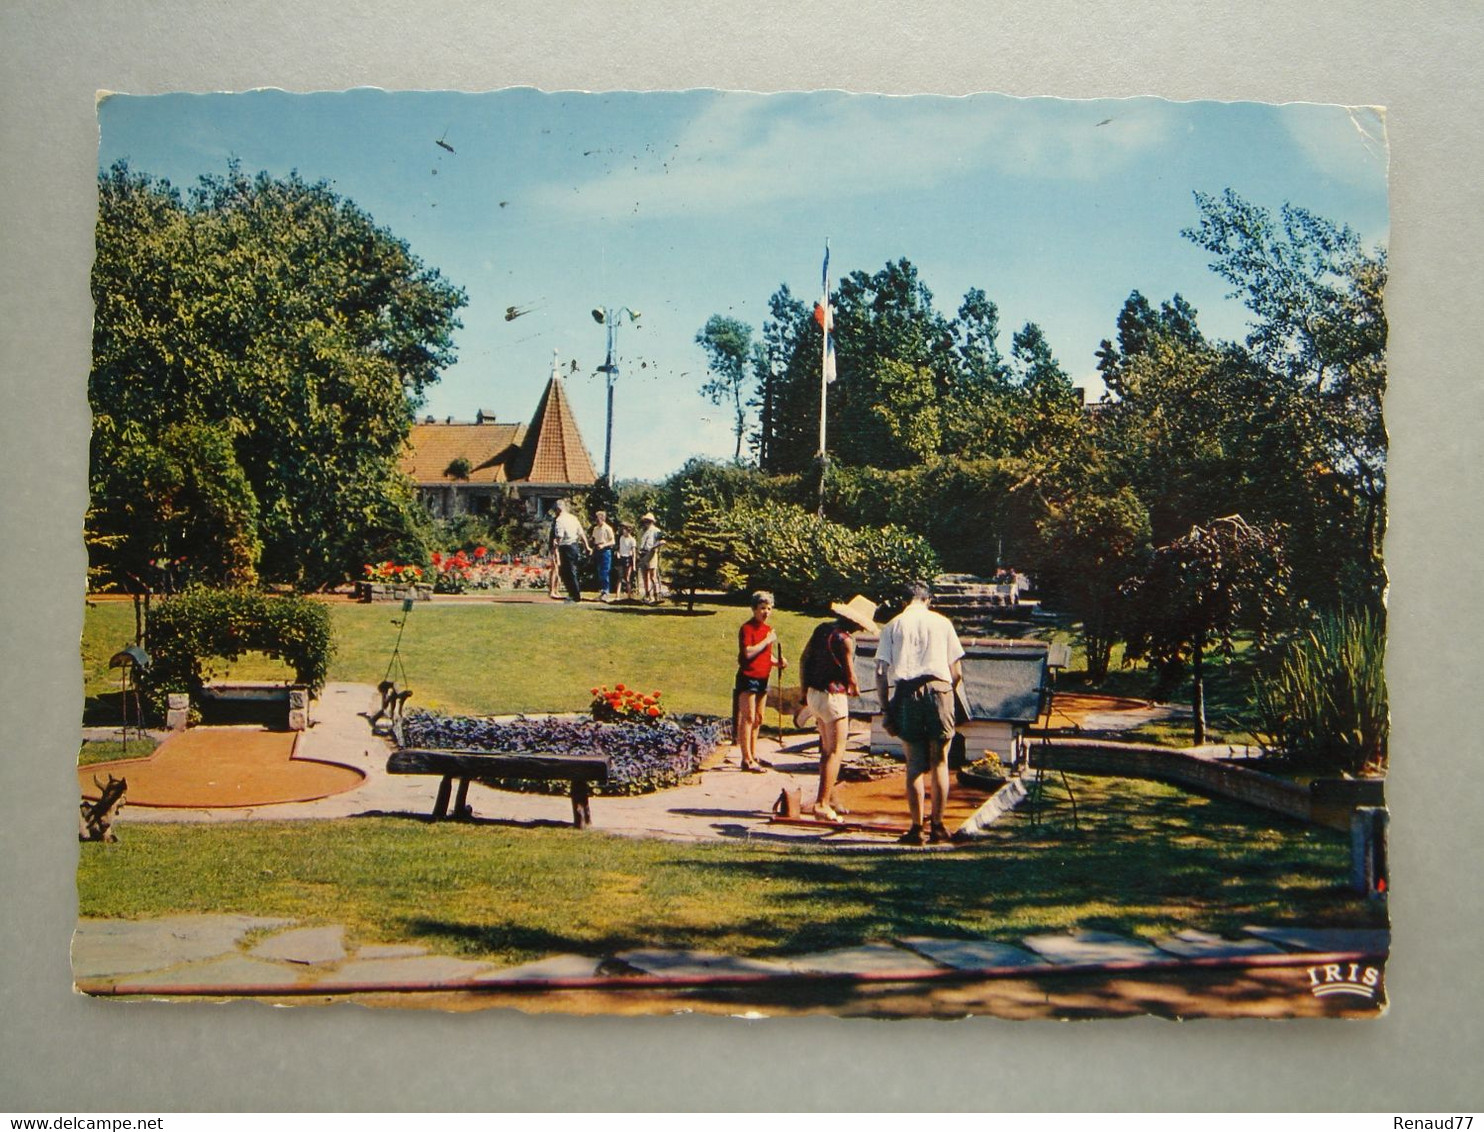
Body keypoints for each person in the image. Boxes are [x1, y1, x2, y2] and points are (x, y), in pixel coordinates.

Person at [875, 580, 965, 845]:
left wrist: (886, 709)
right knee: (940, 761)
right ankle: (938, 827)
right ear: (928, 600)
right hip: (940, 688)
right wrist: (946, 694)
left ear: (904, 602)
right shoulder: (943, 623)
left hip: (906, 691)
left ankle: (916, 829)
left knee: (914, 764)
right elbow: (957, 672)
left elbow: (880, 673)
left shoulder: (892, 625)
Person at [798, 594, 878, 822]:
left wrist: (804, 691)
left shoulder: (822, 629)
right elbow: (851, 677)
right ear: (856, 623)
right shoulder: (846, 640)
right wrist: (855, 688)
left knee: (825, 749)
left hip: (814, 694)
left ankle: (829, 797)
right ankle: (822, 805)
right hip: (833, 698)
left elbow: (804, 659)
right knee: (836, 751)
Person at [734, 590, 786, 773]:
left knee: (758, 718)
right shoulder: (747, 628)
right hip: (748, 677)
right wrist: (767, 640)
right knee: (747, 718)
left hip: (763, 677)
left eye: (769, 608)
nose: (766, 612)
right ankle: (746, 759)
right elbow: (748, 652)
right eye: (762, 608)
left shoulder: (767, 630)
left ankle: (754, 754)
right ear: (754, 609)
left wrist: (777, 662)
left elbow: (764, 654)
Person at [550, 498, 591, 602]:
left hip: (566, 547)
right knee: (571, 571)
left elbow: (559, 535)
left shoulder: (560, 520)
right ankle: (573, 593)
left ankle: (574, 595)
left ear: (558, 509)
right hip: (574, 546)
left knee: (567, 572)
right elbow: (581, 533)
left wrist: (555, 545)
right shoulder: (573, 518)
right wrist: (586, 546)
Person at [637, 512, 665, 603]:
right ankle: (648, 595)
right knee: (645, 576)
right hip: (643, 553)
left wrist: (654, 547)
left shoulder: (656, 531)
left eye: (648, 521)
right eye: (645, 521)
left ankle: (657, 594)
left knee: (653, 575)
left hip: (651, 553)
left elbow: (662, 541)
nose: (646, 523)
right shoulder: (642, 531)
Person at [590, 510, 616, 601]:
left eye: (598, 519)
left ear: (603, 518)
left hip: (605, 550)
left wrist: (604, 545)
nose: (596, 520)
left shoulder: (608, 528)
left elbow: (613, 541)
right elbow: (594, 540)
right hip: (598, 550)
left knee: (605, 571)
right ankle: (601, 592)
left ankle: (606, 591)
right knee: (599, 572)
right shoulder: (595, 529)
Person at [615, 522, 637, 600]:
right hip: (621, 557)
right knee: (620, 577)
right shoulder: (621, 538)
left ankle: (629, 595)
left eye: (625, 530)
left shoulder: (632, 540)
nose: (623, 531)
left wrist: (634, 565)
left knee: (627, 578)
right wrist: (618, 553)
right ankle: (617, 595)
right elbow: (619, 548)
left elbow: (634, 553)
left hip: (628, 558)